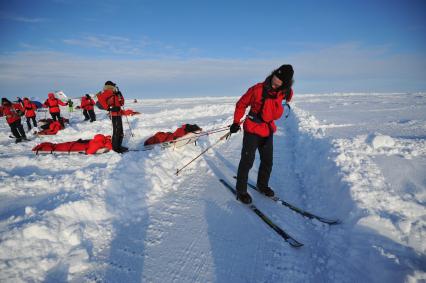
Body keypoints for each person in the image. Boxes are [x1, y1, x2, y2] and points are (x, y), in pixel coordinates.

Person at [230, 64, 294, 204]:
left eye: (281, 80)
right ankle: (241, 190)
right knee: (247, 161)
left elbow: (287, 98)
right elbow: (241, 104)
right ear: (273, 74)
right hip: (252, 128)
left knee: (267, 161)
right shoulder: (257, 89)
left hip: (267, 129)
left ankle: (262, 185)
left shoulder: (284, 92)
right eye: (276, 76)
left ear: (286, 83)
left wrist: (287, 91)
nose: (276, 80)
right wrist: (236, 122)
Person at [97, 81, 128, 153]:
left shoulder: (115, 93)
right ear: (110, 86)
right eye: (113, 85)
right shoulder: (106, 92)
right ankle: (115, 148)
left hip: (118, 113)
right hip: (114, 114)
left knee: (120, 131)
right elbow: (101, 100)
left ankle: (119, 146)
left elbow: (122, 103)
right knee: (117, 131)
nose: (115, 86)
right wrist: (109, 108)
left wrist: (120, 94)